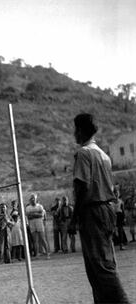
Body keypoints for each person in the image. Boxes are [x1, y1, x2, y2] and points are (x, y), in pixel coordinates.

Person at [71, 113, 129, 303]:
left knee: (100, 266)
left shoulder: (83, 154)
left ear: (81, 131)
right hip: (108, 209)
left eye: (76, 130)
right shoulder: (104, 155)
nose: (74, 134)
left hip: (92, 211)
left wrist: (73, 218)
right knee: (102, 263)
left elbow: (82, 187)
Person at [25, 194, 50, 259]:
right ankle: (37, 254)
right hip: (32, 224)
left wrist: (33, 214)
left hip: (39, 223)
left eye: (34, 198)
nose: (33, 199)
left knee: (42, 238)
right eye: (31, 198)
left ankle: (47, 253)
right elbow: (28, 216)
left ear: (36, 199)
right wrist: (36, 214)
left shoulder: (40, 206)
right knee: (35, 240)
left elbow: (41, 215)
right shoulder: (28, 208)